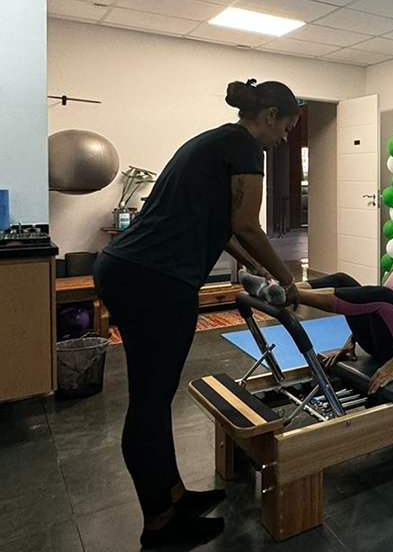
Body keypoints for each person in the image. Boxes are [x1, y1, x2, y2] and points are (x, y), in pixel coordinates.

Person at [93, 79, 302, 548]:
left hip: (130, 269)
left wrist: (250, 264)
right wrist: (288, 280)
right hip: (154, 278)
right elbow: (247, 224)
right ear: (270, 116)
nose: (284, 138)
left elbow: (222, 225)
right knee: (148, 403)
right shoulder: (246, 147)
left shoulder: (216, 141)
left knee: (156, 397)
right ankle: (159, 525)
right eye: (286, 128)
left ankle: (174, 496)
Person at [246, 204, 393, 394]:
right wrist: (350, 342)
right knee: (343, 280)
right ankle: (281, 289)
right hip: (385, 342)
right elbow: (375, 309)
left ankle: (288, 295)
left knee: (383, 296)